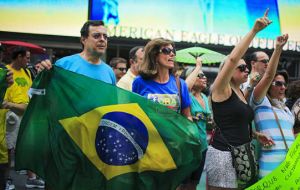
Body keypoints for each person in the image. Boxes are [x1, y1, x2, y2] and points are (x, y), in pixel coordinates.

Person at [206, 10, 273, 189]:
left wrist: (256, 135)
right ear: (228, 71)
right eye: (241, 67)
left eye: (246, 68)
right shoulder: (221, 89)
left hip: (241, 155)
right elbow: (233, 58)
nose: (246, 70)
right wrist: (254, 31)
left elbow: (236, 123)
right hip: (222, 155)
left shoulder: (240, 92)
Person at [132, 38, 194, 190]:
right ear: (154, 55)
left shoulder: (180, 84)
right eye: (166, 51)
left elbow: (187, 117)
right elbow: (134, 115)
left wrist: (187, 135)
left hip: (173, 150)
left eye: (173, 51)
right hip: (147, 148)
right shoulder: (140, 82)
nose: (172, 54)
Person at [250, 33, 295, 179]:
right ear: (269, 86)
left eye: (284, 84)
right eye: (278, 84)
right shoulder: (260, 101)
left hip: (291, 168)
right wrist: (278, 49)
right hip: (270, 169)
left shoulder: (288, 109)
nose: (283, 87)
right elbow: (268, 75)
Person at [0, 46, 38, 190]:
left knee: (29, 146)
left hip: (26, 113)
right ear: (19, 57)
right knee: (9, 150)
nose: (29, 61)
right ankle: (7, 178)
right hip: (11, 114)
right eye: (27, 58)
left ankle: (31, 177)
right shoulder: (6, 72)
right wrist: (9, 105)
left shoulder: (27, 72)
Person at [180, 57, 211, 190]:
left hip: (202, 146)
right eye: (200, 75)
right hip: (188, 147)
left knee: (194, 183)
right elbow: (184, 87)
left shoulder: (204, 97)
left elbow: (207, 123)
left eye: (205, 75)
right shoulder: (186, 95)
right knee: (182, 184)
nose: (204, 78)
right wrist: (197, 65)